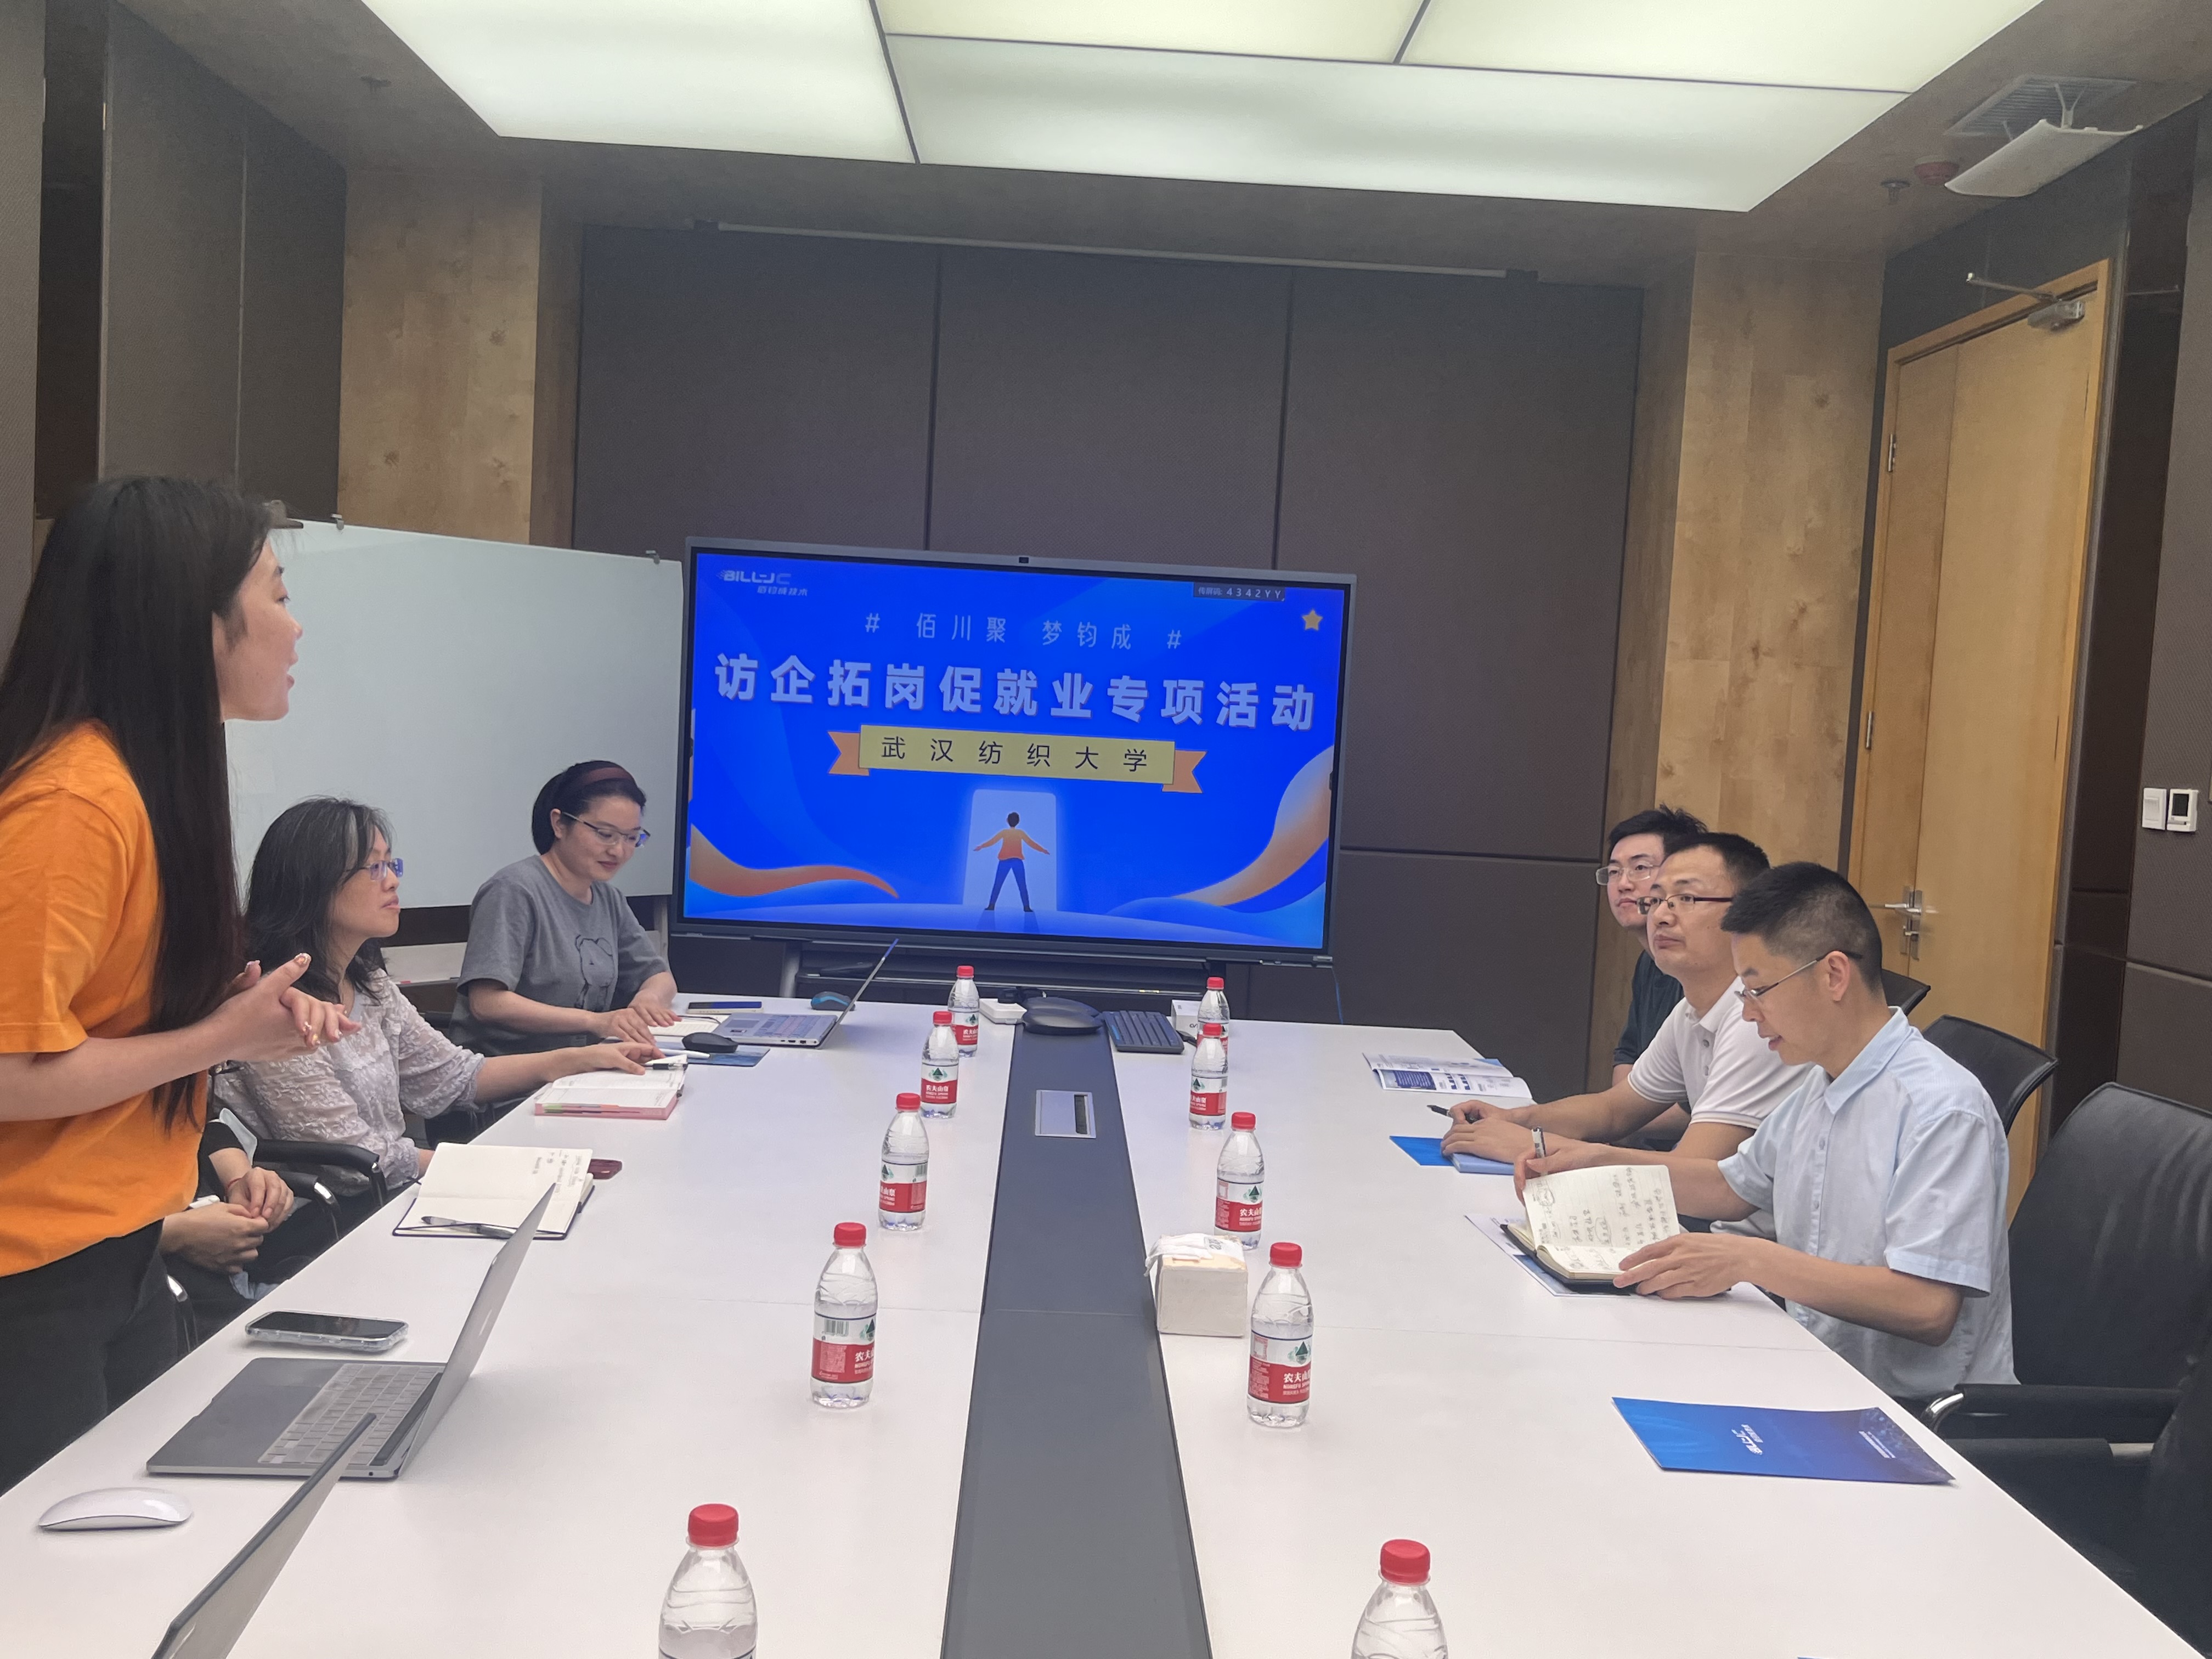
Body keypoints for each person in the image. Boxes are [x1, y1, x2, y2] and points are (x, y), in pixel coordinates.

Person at [0, 478, 357, 1492]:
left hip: (111, 1250)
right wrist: (218, 1036)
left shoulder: (137, 782)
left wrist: (216, 1012)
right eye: (276, 593)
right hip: (30, 1278)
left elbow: (90, 1020)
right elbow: (10, 1069)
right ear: (195, 620)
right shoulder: (74, 800)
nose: (295, 625)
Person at [1515, 863, 2015, 1398]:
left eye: (1758, 990)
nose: (1750, 1016)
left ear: (1834, 975)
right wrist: (1596, 1161)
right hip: (1808, 1365)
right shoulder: (1822, 1081)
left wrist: (1750, 1261)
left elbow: (1926, 1307)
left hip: (1913, 1411)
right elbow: (1732, 1188)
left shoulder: (1941, 1109)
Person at [215, 798, 660, 1195]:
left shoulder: (370, 984)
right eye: (375, 868)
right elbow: (356, 1165)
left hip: (394, 1193)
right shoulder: (278, 1007)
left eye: (392, 864)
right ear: (313, 884)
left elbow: (455, 1077)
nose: (393, 881)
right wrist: (509, 1167)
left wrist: (579, 1061)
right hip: (329, 1220)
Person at [1444, 831, 1805, 1167]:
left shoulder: (1756, 1018)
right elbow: (1614, 1110)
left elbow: (1690, 1172)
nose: (1660, 916)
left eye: (1686, 899)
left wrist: (1534, 1146)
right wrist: (1513, 1118)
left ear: (1745, 913)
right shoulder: (1690, 1011)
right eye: (1657, 900)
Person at [448, 761, 680, 1056]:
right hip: (510, 1072)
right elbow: (488, 1003)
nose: (619, 851)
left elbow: (659, 977)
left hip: (581, 1067)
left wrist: (648, 999)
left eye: (632, 838)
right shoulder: (514, 890)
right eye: (605, 834)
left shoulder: (608, 898)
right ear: (559, 824)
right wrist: (595, 1022)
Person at [1600, 806, 1706, 1085]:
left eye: (1640, 868)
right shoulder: (1649, 960)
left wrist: (1623, 1109)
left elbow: (1695, 1096)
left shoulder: (1703, 965)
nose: (1623, 884)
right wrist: (1618, 1108)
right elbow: (1629, 1054)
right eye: (1614, 871)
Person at [976, 811, 1049, 912]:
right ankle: (1026, 907)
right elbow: (1031, 843)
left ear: (1007, 821)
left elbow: (993, 841)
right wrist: (1042, 850)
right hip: (1016, 862)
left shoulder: (1004, 832)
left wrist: (982, 846)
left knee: (998, 884)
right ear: (1018, 822)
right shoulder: (1020, 833)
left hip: (1005, 861)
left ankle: (992, 905)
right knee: (1022, 885)